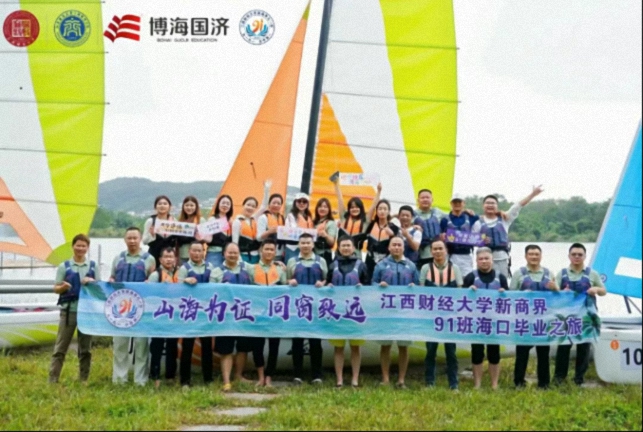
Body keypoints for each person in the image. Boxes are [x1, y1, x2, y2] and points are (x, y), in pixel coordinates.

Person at [554, 243, 607, 386]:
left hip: (586, 317)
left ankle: (579, 378)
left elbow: (604, 291)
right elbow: (554, 293)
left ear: (584, 256)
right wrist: (561, 292)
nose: (576, 257)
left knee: (583, 348)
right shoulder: (562, 274)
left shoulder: (592, 274)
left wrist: (596, 289)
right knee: (563, 347)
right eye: (574, 254)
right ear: (569, 256)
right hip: (566, 317)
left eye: (580, 254)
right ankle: (559, 378)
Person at [49, 234, 98, 384]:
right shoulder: (64, 266)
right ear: (73, 246)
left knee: (85, 349)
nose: (80, 248)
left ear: (87, 248)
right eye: (78, 245)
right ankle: (53, 379)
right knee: (60, 347)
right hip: (69, 311)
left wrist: (92, 281)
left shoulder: (93, 266)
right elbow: (56, 288)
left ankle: (84, 379)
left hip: (87, 312)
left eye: (84, 246)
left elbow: (99, 288)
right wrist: (63, 287)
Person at [110, 227, 156, 386]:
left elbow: (154, 281)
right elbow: (112, 277)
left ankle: (140, 380)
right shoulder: (118, 258)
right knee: (119, 344)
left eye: (135, 238)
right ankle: (119, 379)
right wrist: (110, 281)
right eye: (129, 238)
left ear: (140, 239)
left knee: (141, 346)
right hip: (120, 309)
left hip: (140, 308)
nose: (132, 241)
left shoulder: (149, 259)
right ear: (124, 239)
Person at [372, 236, 418, 388]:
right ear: (389, 247)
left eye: (399, 245)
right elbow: (372, 285)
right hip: (386, 311)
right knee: (385, 345)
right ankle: (385, 379)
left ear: (403, 248)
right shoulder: (381, 265)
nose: (397, 247)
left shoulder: (411, 266)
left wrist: (414, 287)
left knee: (403, 346)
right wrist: (379, 286)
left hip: (405, 311)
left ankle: (401, 380)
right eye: (394, 245)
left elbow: (419, 287)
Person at [510, 244, 559, 389]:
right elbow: (510, 296)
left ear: (541, 256)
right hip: (524, 320)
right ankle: (519, 382)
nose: (534, 257)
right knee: (522, 352)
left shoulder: (549, 273)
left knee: (543, 353)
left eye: (536, 254)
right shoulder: (519, 274)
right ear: (526, 256)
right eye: (531, 254)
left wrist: (555, 288)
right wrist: (521, 295)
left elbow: (558, 296)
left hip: (543, 320)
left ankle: (544, 384)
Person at [326, 236, 370, 388]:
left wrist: (363, 288)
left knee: (355, 347)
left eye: (348, 245)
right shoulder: (333, 265)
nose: (346, 248)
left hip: (355, 313)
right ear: (338, 248)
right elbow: (327, 284)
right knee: (338, 347)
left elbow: (368, 287)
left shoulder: (361, 265)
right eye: (343, 245)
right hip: (337, 312)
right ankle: (339, 379)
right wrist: (328, 286)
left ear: (353, 248)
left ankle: (355, 379)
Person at [211, 242, 255, 392]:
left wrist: (279, 264)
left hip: (244, 314)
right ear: (224, 254)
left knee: (243, 348)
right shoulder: (217, 272)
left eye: (235, 253)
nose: (232, 255)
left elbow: (261, 271)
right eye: (230, 253)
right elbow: (211, 292)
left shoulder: (248, 268)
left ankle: (238, 375)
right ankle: (226, 380)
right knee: (226, 350)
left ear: (239, 254)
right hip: (225, 316)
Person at [244, 238, 288, 387]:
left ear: (275, 252)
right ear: (260, 251)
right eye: (266, 249)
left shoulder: (280, 269)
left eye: (272, 249)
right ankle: (261, 376)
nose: (269, 252)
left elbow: (286, 288)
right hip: (257, 313)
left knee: (274, 346)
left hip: (276, 313)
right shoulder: (251, 268)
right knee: (257, 346)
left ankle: (269, 376)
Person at [464, 247, 509, 390]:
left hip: (494, 322)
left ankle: (494, 384)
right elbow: (461, 299)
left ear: (492, 260)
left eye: (486, 258)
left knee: (494, 353)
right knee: (477, 353)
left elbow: (509, 301)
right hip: (476, 322)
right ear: (476, 261)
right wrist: (468, 291)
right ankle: (477, 384)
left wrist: (504, 293)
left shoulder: (501, 278)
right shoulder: (471, 277)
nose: (484, 261)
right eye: (481, 259)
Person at [420, 239, 462, 391]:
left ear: (446, 251)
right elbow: (421, 292)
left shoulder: (455, 268)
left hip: (450, 317)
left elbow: (459, 292)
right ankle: (429, 383)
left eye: (440, 248)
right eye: (435, 249)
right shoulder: (425, 268)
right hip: (431, 317)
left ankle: (453, 384)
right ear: (431, 251)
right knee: (430, 351)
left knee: (451, 352)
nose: (437, 251)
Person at [287, 233, 328, 384]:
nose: (305, 245)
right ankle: (297, 375)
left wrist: (322, 283)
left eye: (308, 243)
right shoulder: (292, 261)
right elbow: (286, 279)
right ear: (299, 245)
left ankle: (317, 375)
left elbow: (326, 279)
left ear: (313, 244)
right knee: (297, 342)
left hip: (316, 307)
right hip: (297, 307)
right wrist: (289, 281)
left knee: (315, 342)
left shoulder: (321, 261)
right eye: (302, 243)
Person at [479, 186, 544, 277]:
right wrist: (480, 240)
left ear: (497, 206)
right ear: (483, 206)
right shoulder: (477, 221)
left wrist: (533, 194)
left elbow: (517, 206)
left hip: (501, 259)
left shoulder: (505, 218)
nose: (490, 205)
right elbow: (469, 237)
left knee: (502, 282)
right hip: (483, 260)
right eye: (487, 203)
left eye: (493, 203)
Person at [177, 241, 216, 388]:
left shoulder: (210, 267)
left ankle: (208, 379)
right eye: (194, 250)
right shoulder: (184, 268)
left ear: (203, 252)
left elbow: (214, 286)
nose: (197, 253)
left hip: (206, 311)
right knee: (187, 347)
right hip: (190, 312)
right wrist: (185, 281)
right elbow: (177, 288)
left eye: (200, 251)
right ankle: (185, 380)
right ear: (189, 252)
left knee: (207, 346)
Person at [148, 247, 179, 388]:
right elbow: (149, 294)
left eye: (171, 257)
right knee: (157, 347)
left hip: (174, 316)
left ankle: (170, 376)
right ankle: (154, 375)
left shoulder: (179, 274)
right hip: (159, 315)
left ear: (175, 259)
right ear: (160, 259)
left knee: (172, 346)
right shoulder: (156, 275)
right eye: (166, 257)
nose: (169, 260)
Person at [332, 178, 381, 253]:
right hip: (340, 252)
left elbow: (373, 205)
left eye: (357, 207)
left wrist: (379, 191)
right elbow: (340, 198)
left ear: (361, 208)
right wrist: (336, 184)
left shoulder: (366, 220)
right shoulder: (344, 217)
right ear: (349, 209)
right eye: (352, 207)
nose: (354, 209)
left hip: (356, 253)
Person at [440, 193, 480, 276]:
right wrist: (442, 237)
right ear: (451, 204)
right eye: (455, 202)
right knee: (451, 278)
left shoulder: (471, 218)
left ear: (464, 203)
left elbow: (482, 219)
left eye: (459, 202)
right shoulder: (444, 220)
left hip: (466, 255)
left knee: (467, 279)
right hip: (451, 255)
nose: (457, 204)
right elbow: (440, 236)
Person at [232, 181, 271, 264]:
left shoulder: (254, 218)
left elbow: (264, 206)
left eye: (253, 206)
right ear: (243, 205)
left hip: (256, 256)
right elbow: (234, 242)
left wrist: (267, 189)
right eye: (248, 205)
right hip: (243, 256)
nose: (250, 208)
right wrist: (238, 259)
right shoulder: (237, 222)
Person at [365, 199, 399, 277]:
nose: (382, 211)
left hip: (386, 262)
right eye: (380, 209)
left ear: (389, 211)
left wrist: (392, 236)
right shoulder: (371, 225)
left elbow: (398, 245)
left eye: (385, 209)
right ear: (376, 211)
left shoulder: (394, 228)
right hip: (370, 260)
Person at [414, 189, 447, 270]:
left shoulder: (438, 212)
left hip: (438, 253)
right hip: (421, 253)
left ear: (432, 200)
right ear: (418, 200)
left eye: (427, 197)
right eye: (422, 198)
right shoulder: (412, 214)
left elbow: (453, 217)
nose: (425, 199)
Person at [142, 195, 177, 267]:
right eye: (159, 204)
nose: (162, 206)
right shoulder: (150, 221)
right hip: (153, 255)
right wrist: (152, 235)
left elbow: (176, 241)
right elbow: (144, 241)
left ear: (169, 207)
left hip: (169, 257)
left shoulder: (174, 221)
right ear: (155, 207)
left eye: (165, 204)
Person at [284, 192, 315, 264]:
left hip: (306, 247)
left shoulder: (309, 217)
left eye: (304, 202)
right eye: (299, 201)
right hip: (293, 248)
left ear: (307, 204)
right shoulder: (290, 216)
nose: (301, 203)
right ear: (295, 202)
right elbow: (289, 231)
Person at [205, 195, 234, 268]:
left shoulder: (231, 221)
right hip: (214, 253)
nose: (225, 205)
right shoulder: (212, 219)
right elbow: (208, 239)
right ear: (218, 204)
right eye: (223, 203)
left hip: (228, 254)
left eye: (228, 204)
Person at [176, 196, 206, 264]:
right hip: (182, 255)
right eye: (187, 205)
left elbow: (204, 239)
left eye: (192, 205)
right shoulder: (180, 221)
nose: (189, 208)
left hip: (196, 255)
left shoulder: (200, 220)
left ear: (196, 207)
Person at [256, 193, 286, 261]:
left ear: (281, 205)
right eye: (274, 203)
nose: (276, 205)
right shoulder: (263, 217)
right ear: (269, 204)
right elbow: (258, 238)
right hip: (266, 252)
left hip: (279, 253)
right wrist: (269, 231)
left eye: (278, 203)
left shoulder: (282, 218)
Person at [313, 197, 338, 266]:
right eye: (320, 206)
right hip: (312, 254)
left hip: (324, 255)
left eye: (325, 207)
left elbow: (332, 242)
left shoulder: (331, 223)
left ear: (329, 210)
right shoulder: (313, 222)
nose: (322, 209)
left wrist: (326, 235)